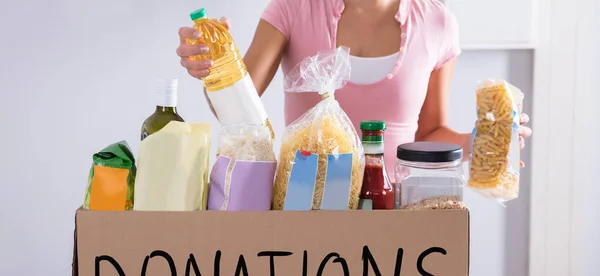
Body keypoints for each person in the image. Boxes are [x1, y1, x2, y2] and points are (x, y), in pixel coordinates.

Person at [176, 0, 532, 176]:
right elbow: (239, 107)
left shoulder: (437, 22)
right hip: (305, 201)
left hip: (392, 209)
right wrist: (212, 67)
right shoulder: (295, 8)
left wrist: (479, 143)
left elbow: (429, 132)